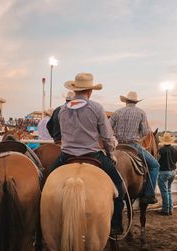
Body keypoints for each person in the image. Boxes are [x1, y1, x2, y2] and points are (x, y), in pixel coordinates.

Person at [50, 72, 124, 236]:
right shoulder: (96, 107)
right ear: (90, 91)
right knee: (119, 187)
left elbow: (61, 134)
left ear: (75, 90)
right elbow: (106, 135)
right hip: (93, 155)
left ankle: (39, 230)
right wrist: (111, 152)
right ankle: (116, 225)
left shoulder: (62, 110)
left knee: (42, 184)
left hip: (66, 156)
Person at [110, 91, 159, 205]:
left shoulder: (117, 112)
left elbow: (107, 127)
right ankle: (149, 194)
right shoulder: (141, 112)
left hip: (118, 146)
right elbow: (145, 132)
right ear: (136, 102)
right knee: (155, 165)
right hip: (134, 146)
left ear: (126, 101)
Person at [157, 132, 177, 215]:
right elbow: (176, 161)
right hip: (173, 172)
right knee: (169, 190)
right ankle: (170, 209)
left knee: (164, 191)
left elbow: (157, 161)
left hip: (163, 172)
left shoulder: (161, 150)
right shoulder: (175, 150)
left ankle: (166, 209)